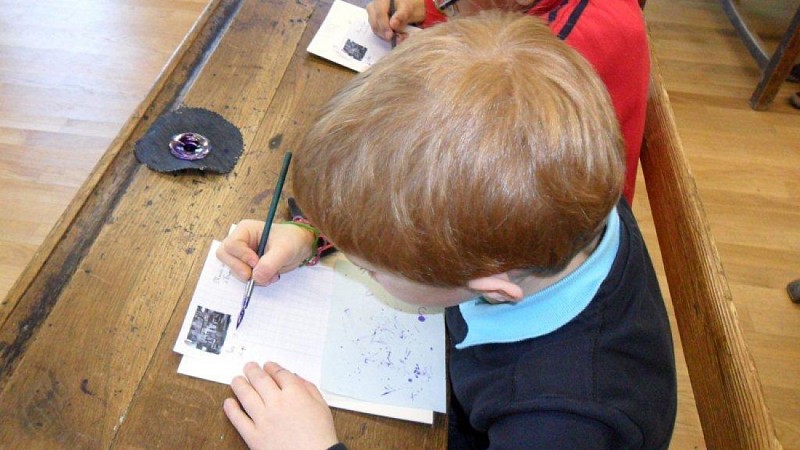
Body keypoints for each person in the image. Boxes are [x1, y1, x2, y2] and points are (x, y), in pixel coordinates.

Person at [218, 11, 676, 449]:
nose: (363, 270)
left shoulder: (561, 423)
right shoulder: (563, 192)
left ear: (491, 286)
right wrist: (311, 235)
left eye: (370, 267)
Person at [366, 0, 649, 204]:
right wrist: (426, 9)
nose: (444, 8)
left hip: (552, 221)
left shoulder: (567, 47)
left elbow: (477, 138)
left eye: (449, 4)